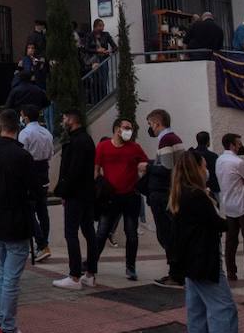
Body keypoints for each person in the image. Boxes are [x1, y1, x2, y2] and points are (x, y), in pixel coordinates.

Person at [171, 150, 244, 333]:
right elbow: (215, 223)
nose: (208, 170)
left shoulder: (180, 193)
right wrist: (233, 223)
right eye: (205, 166)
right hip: (203, 258)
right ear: (197, 168)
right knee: (223, 308)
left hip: (189, 260)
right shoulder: (196, 196)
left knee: (196, 305)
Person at [0, 109, 42, 333]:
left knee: (1, 274)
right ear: (17, 127)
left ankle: (3, 323)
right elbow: (35, 191)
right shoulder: (21, 156)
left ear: (0, 126)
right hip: (16, 220)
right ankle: (7, 328)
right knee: (10, 278)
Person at [94, 117, 149, 281]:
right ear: (117, 129)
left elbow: (145, 164)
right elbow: (96, 170)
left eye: (130, 128)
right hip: (110, 197)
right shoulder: (103, 147)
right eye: (126, 128)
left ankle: (130, 267)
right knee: (102, 232)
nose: (129, 131)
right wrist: (98, 189)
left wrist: (141, 175)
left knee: (131, 233)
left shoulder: (135, 148)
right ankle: (91, 262)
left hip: (131, 196)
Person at [51, 109, 99, 290]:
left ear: (72, 119)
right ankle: (90, 274)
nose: (63, 120)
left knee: (71, 233)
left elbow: (72, 171)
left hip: (76, 195)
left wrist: (63, 191)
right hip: (86, 194)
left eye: (64, 117)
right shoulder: (85, 139)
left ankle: (74, 276)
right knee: (89, 232)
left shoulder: (77, 141)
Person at [144, 108, 186, 288]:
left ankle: (176, 274)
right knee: (171, 233)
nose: (150, 128)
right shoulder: (173, 138)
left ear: (157, 123)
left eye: (150, 124)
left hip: (164, 193)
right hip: (170, 191)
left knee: (167, 233)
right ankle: (177, 271)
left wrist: (147, 166)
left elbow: (167, 169)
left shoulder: (166, 140)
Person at [215, 133, 244, 284]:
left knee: (231, 240)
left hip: (229, 204)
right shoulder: (238, 162)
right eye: (238, 144)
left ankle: (231, 272)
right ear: (232, 145)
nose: (240, 146)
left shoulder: (219, 160)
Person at [18, 106, 53, 263]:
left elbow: (21, 154)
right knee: (42, 209)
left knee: (28, 210)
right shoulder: (47, 132)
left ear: (25, 117)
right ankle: (43, 244)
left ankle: (42, 243)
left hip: (30, 170)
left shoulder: (25, 133)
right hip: (44, 171)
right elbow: (51, 153)